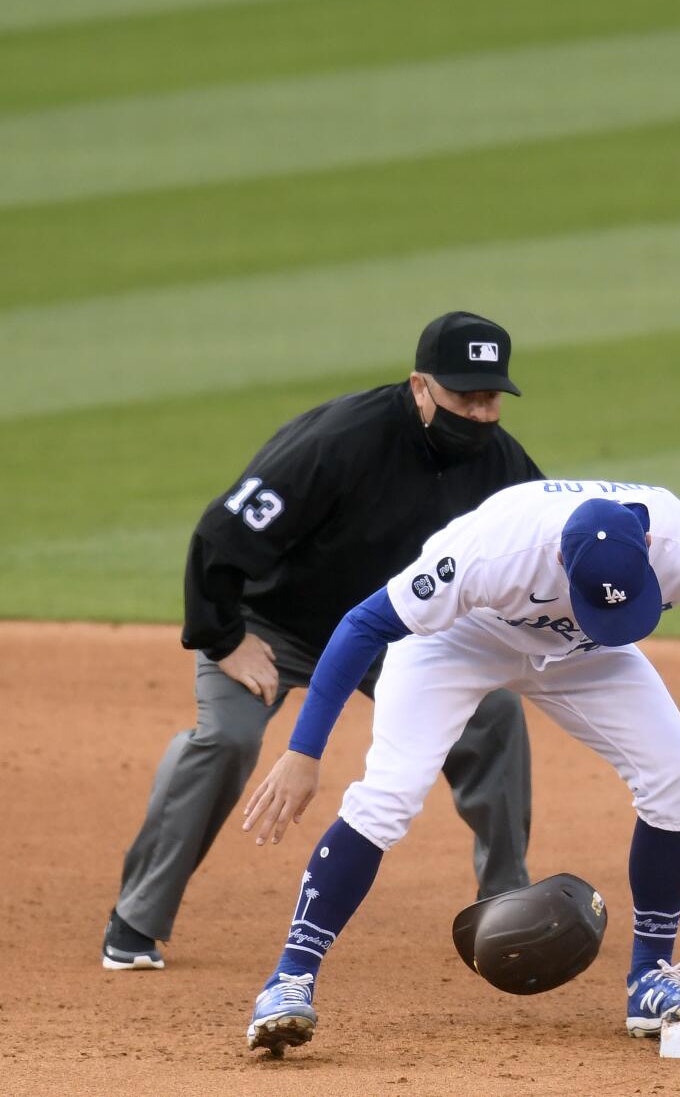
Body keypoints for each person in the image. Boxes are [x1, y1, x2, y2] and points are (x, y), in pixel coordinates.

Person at [238, 480, 680, 1054]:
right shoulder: (493, 550)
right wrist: (304, 751)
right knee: (389, 796)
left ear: (649, 545)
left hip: (587, 654)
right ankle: (288, 979)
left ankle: (650, 977)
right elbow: (365, 623)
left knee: (677, 770)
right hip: (460, 640)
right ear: (560, 557)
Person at [102, 311, 544, 971]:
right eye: (463, 396)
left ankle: (507, 900)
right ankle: (135, 919)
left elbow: (550, 543)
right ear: (420, 386)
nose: (479, 413)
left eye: (490, 399)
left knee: (494, 716)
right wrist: (224, 638)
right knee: (226, 736)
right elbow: (220, 534)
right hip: (274, 626)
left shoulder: (502, 463)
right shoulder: (341, 440)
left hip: (394, 630)